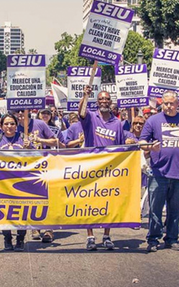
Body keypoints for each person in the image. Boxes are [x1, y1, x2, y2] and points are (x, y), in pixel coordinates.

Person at [139, 91, 179, 252]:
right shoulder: (153, 121)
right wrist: (150, 147)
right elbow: (142, 142)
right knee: (155, 210)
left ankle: (172, 239)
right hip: (158, 174)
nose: (168, 106)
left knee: (175, 210)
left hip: (178, 173)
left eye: (171, 103)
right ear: (162, 104)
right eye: (165, 103)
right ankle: (153, 239)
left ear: (177, 104)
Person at [78, 86, 126, 251]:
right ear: (97, 102)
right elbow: (81, 112)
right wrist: (85, 96)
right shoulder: (91, 117)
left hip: (110, 171)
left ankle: (106, 235)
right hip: (91, 167)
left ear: (110, 102)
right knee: (89, 202)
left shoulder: (117, 123)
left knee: (109, 202)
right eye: (100, 99)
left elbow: (120, 147)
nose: (104, 101)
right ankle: (90, 236)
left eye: (106, 99)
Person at [14, 109, 59, 242]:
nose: (21, 114)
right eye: (18, 112)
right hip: (25, 168)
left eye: (23, 111)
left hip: (44, 165)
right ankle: (35, 226)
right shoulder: (14, 127)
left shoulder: (40, 124)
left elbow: (54, 141)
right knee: (32, 198)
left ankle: (49, 230)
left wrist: (39, 139)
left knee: (46, 198)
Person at [0, 114, 32, 251]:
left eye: (12, 124)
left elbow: (35, 158)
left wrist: (29, 148)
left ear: (16, 125)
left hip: (22, 183)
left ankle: (20, 239)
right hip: (2, 183)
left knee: (22, 212)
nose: (9, 127)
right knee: (5, 212)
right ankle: (7, 238)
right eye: (6, 124)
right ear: (1, 126)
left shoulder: (23, 139)